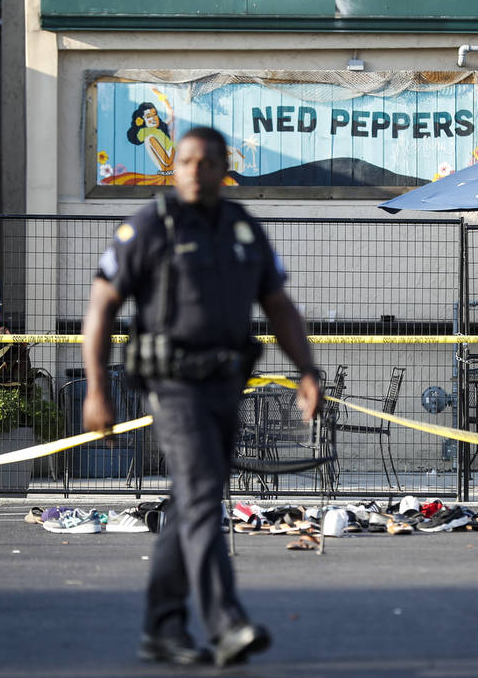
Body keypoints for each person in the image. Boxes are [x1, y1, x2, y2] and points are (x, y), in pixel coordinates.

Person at [81, 126, 322, 668]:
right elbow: (101, 307)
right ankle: (226, 622)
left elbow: (278, 304)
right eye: (184, 160)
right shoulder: (149, 225)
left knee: (193, 498)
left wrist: (307, 369)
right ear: (175, 168)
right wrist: (96, 388)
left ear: (221, 167)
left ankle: (161, 629)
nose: (193, 169)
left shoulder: (241, 229)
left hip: (226, 382)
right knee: (200, 495)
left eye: (205, 161)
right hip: (173, 387)